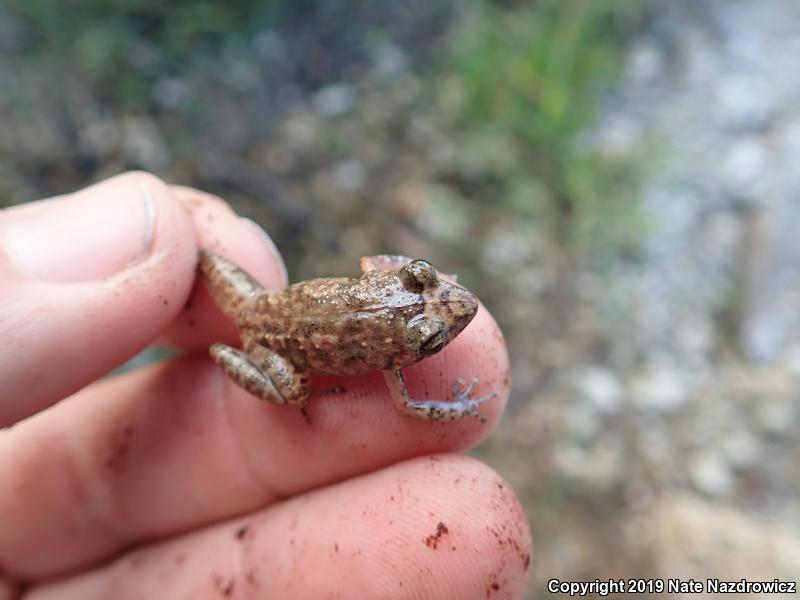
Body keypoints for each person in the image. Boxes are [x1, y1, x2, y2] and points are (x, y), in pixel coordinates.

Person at [0, 172, 531, 599]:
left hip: (256, 301)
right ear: (400, 351)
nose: (446, 301)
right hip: (266, 342)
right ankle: (211, 337)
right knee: (295, 389)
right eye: (421, 278)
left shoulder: (376, 279)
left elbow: (377, 265)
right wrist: (460, 405)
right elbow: (412, 408)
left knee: (214, 264)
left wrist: (411, 281)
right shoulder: (396, 367)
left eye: (428, 330)